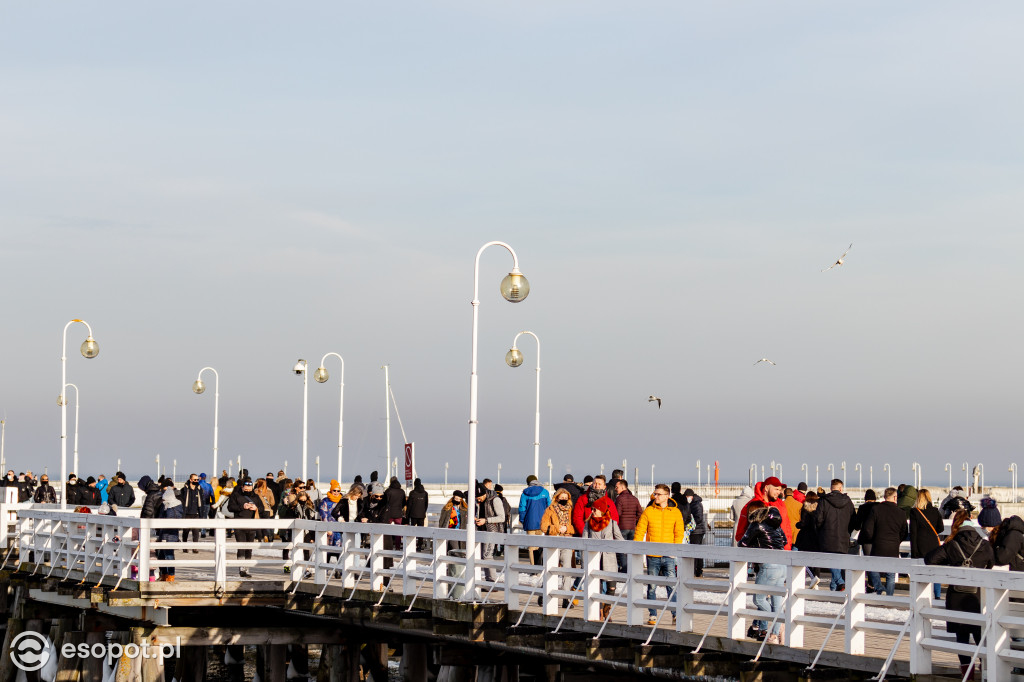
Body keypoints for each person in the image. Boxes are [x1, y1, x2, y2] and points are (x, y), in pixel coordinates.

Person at [925, 510, 994, 680]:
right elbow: (991, 563)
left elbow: (930, 559)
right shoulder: (984, 545)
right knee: (979, 634)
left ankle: (967, 675)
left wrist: (951, 563)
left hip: (957, 596)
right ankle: (985, 667)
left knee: (962, 636)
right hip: (977, 596)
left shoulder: (952, 544)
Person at [634, 483, 686, 625]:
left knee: (671, 586)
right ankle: (652, 614)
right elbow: (640, 531)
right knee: (652, 586)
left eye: (658, 494)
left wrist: (674, 551)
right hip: (653, 555)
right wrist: (636, 548)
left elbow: (679, 533)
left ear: (666, 496)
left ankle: (675, 614)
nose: (655, 496)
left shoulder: (675, 512)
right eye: (654, 493)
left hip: (669, 555)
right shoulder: (649, 511)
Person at [739, 503, 788, 643]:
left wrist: (755, 543)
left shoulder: (756, 525)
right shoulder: (776, 526)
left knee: (759, 599)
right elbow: (784, 541)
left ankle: (776, 622)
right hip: (782, 566)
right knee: (777, 602)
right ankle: (774, 634)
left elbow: (742, 544)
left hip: (768, 567)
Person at [859, 487, 906, 595]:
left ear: (885, 497)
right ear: (895, 497)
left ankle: (880, 588)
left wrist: (872, 538)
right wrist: (897, 540)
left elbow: (868, 529)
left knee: (873, 568)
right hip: (893, 546)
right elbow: (904, 531)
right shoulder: (901, 512)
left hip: (878, 544)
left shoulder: (876, 509)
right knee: (891, 574)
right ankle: (889, 599)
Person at [582, 496, 623, 618]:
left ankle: (607, 607)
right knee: (597, 586)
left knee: (612, 586)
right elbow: (584, 541)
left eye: (594, 509)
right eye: (592, 509)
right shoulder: (588, 523)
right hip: (594, 559)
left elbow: (620, 539)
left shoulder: (612, 523)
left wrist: (626, 552)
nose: (592, 511)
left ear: (601, 510)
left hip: (609, 558)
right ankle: (599, 611)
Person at [813, 479, 855, 591]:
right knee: (838, 563)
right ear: (841, 488)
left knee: (832, 561)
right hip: (843, 536)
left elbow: (818, 519)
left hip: (827, 536)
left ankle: (839, 583)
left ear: (831, 488)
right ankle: (836, 587)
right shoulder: (848, 501)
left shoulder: (824, 501)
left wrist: (821, 530)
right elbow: (853, 519)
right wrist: (848, 531)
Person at [734, 477, 792, 550]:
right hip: (759, 553)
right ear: (767, 488)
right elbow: (741, 531)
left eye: (780, 490)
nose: (779, 492)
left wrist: (788, 546)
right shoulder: (753, 505)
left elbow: (787, 526)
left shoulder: (780, 504)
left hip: (782, 550)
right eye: (776, 489)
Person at [540, 488, 576, 602]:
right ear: (557, 497)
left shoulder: (571, 510)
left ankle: (566, 598)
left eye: (566, 498)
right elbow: (543, 526)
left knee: (567, 570)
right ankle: (543, 594)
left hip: (567, 541)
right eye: (562, 497)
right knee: (551, 570)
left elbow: (574, 526)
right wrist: (556, 529)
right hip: (553, 542)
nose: (564, 499)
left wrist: (567, 528)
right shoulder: (549, 510)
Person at [909, 488, 945, 599]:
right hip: (934, 544)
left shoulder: (915, 512)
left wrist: (914, 551)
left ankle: (921, 595)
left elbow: (913, 533)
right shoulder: (935, 511)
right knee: (935, 570)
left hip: (920, 546)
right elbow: (941, 528)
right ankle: (937, 595)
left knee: (922, 572)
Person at [227, 478, 261, 577]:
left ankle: (247, 568)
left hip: (251, 525)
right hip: (239, 525)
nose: (247, 490)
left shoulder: (256, 497)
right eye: (246, 488)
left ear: (252, 487)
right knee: (241, 547)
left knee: (249, 548)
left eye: (249, 488)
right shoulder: (236, 495)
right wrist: (243, 507)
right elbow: (230, 507)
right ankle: (242, 569)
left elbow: (263, 508)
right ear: (242, 487)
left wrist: (256, 508)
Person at [474, 481, 505, 583]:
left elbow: (502, 517)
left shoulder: (495, 500)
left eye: (479, 497)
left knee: (487, 556)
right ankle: (488, 580)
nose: (478, 499)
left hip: (492, 531)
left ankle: (492, 581)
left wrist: (486, 520)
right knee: (482, 556)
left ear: (484, 493)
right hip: (481, 530)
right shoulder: (479, 502)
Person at [519, 475, 551, 564]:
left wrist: (523, 520)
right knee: (540, 545)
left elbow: (522, 508)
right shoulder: (545, 492)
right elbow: (550, 506)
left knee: (531, 546)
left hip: (530, 523)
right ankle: (540, 564)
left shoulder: (525, 493)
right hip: (542, 522)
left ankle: (533, 567)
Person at [613, 479, 643, 572]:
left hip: (622, 527)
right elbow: (640, 513)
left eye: (617, 487)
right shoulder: (634, 498)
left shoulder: (619, 499)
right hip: (632, 528)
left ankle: (625, 569)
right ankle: (631, 568)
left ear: (623, 487)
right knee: (631, 550)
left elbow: (617, 514)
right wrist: (634, 520)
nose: (615, 489)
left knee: (622, 550)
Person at [156, 482, 183, 581]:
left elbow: (174, 518)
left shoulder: (173, 506)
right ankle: (164, 574)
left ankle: (170, 575)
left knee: (168, 555)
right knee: (161, 555)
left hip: (170, 534)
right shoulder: (166, 505)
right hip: (164, 533)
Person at [683, 488, 707, 575]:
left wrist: (690, 522)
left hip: (697, 531)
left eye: (688, 496)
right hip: (697, 530)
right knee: (697, 551)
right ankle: (698, 570)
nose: (687, 498)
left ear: (691, 496)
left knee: (695, 551)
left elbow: (699, 518)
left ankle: (697, 570)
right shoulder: (693, 504)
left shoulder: (696, 504)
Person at [180, 473, 204, 552]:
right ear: (190, 480)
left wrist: (201, 512)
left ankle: (195, 547)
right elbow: (182, 499)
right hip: (187, 513)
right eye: (195, 480)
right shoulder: (185, 489)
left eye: (197, 480)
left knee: (196, 532)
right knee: (186, 531)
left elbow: (201, 501)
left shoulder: (199, 489)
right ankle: (185, 546)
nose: (196, 481)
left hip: (196, 513)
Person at [850, 489, 878, 556]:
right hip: (878, 536)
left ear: (865, 499)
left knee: (868, 559)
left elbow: (857, 525)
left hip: (866, 537)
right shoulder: (879, 507)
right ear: (874, 498)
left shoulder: (862, 508)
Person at [253, 478, 276, 542]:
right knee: (266, 524)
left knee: (258, 524)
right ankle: (266, 535)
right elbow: (272, 502)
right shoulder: (269, 491)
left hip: (258, 509)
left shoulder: (255, 491)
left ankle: (259, 538)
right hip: (267, 510)